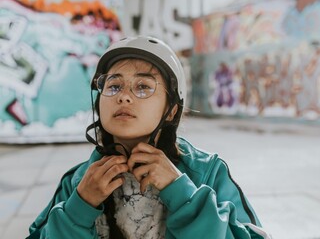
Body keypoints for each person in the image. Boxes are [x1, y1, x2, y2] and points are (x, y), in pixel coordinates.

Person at [27, 36, 271, 239]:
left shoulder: (207, 173)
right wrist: (79, 207)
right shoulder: (78, 182)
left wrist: (184, 195)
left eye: (143, 86)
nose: (124, 97)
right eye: (113, 86)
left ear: (171, 110)